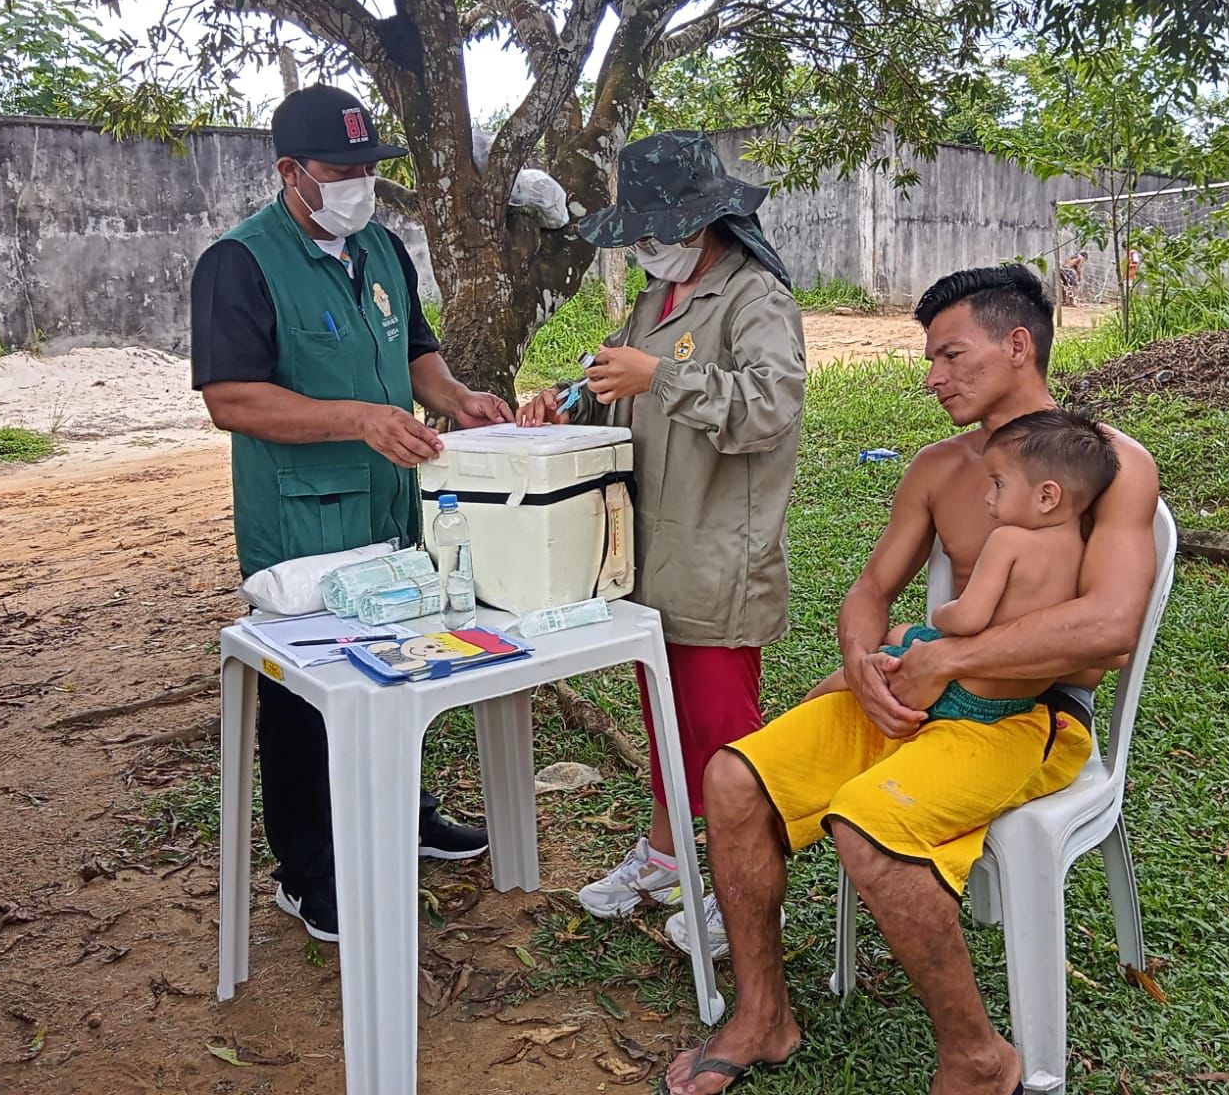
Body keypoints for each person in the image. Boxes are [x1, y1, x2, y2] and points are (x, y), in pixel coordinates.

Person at [659, 264, 1160, 1095]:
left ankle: (977, 1055)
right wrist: (862, 662)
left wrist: (953, 657)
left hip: (1025, 717)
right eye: (930, 359)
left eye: (952, 356)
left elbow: (1108, 630)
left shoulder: (1105, 466)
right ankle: (762, 1015)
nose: (933, 377)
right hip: (914, 693)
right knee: (732, 778)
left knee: (868, 824)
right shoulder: (938, 467)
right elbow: (869, 592)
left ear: (1018, 345)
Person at [190, 83, 513, 944]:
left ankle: (408, 812)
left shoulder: (381, 247)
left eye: (368, 169)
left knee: (399, 664)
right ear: (290, 172)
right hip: (302, 529)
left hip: (389, 510)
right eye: (339, 171)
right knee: (307, 701)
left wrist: (459, 398)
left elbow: (417, 354)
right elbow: (231, 399)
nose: (358, 186)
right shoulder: (240, 262)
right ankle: (310, 872)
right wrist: (355, 419)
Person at [517, 130, 806, 958]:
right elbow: (613, 379)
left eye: (654, 229)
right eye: (637, 232)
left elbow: (770, 407)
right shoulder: (656, 299)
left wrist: (662, 378)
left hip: (719, 558)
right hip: (651, 556)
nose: (644, 246)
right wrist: (566, 399)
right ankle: (668, 855)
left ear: (702, 220)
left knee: (723, 733)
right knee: (665, 718)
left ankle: (741, 888)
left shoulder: (756, 298)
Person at [805, 407, 1120, 725]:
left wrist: (942, 614)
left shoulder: (1007, 541)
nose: (987, 497)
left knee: (861, 673)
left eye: (998, 484)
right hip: (1016, 691)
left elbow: (968, 619)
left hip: (968, 689)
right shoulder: (1082, 547)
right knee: (898, 632)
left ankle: (796, 719)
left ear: (1046, 497)